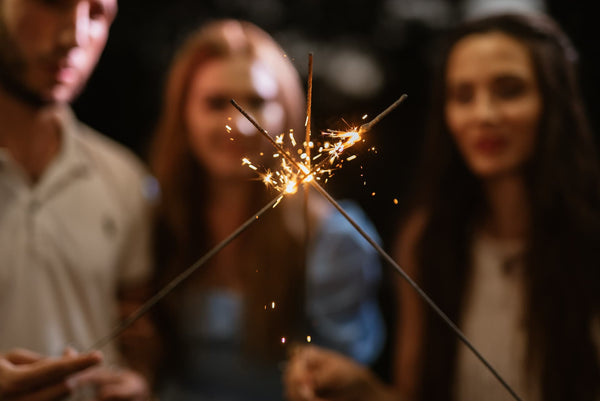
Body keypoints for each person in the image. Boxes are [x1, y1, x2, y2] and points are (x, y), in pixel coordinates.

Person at [284, 11, 600, 401]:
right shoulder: (428, 240)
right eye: (463, 95)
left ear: (554, 100)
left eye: (509, 90)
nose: (483, 115)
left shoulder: (588, 240)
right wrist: (363, 390)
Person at [149, 19, 385, 401]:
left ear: (288, 112)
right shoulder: (153, 219)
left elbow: (346, 381)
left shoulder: (334, 239)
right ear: (182, 114)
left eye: (256, 102)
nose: (239, 125)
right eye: (215, 103)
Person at [0, 0, 156, 399]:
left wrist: (140, 380)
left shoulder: (124, 178)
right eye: (53, 3)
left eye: (97, 14)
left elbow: (139, 334)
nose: (75, 36)